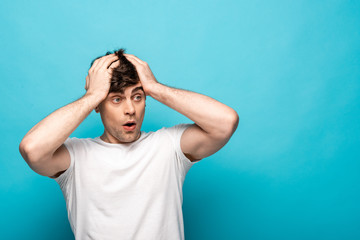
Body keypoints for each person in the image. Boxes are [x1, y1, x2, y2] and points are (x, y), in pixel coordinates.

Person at [19, 48, 239, 240]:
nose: (130, 109)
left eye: (137, 97)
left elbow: (225, 122)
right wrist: (92, 96)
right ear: (98, 105)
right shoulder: (76, 157)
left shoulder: (168, 146)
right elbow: (32, 149)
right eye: (116, 99)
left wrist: (154, 87)